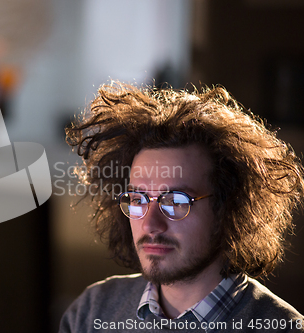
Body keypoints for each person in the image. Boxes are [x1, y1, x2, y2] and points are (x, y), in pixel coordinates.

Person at [59, 82, 304, 332]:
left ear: (229, 207)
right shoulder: (93, 312)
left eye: (175, 201)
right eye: (137, 199)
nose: (150, 224)